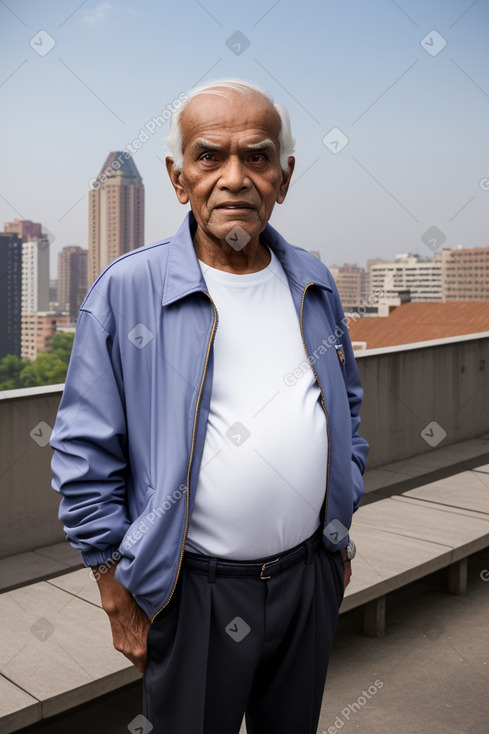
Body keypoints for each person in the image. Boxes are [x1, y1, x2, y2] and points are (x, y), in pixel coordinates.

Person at [51, 78, 369, 734]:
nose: (234, 178)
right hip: (190, 593)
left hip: (308, 578)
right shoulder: (126, 291)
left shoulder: (312, 280)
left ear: (282, 177)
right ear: (176, 178)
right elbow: (84, 456)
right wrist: (116, 593)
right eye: (208, 156)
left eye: (256, 157)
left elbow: (348, 407)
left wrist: (336, 534)